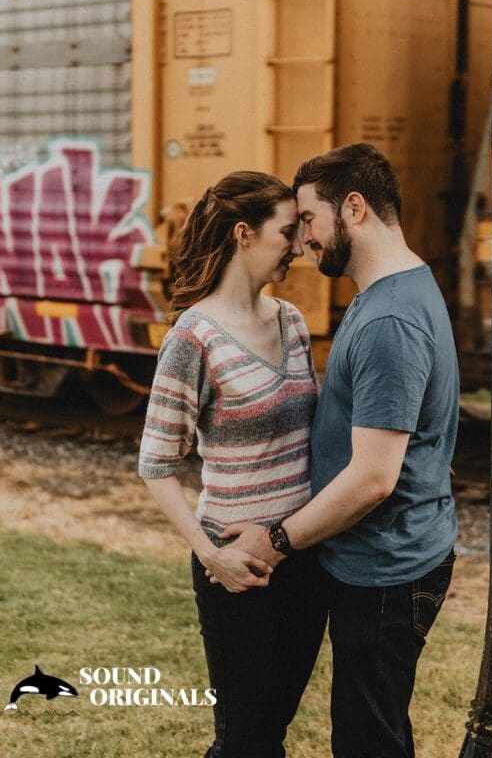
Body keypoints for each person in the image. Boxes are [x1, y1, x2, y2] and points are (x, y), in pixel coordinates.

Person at [213, 144, 459, 758]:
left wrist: (273, 538)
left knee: (366, 741)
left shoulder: (388, 322)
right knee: (368, 728)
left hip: (385, 569)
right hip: (388, 554)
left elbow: (373, 479)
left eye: (310, 222)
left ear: (354, 209)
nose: (301, 244)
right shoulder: (397, 289)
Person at [138, 171, 326, 758]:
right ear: (243, 234)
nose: (298, 248)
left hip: (303, 553)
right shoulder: (193, 338)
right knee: (245, 740)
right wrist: (210, 551)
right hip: (237, 568)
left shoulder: (292, 321)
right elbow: (155, 464)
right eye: (287, 233)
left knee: (271, 732)